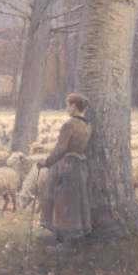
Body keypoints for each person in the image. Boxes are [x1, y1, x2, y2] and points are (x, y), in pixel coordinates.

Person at [36, 93, 92, 242]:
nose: (66, 108)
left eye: (68, 105)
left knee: (62, 201)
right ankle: (76, 236)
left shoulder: (69, 125)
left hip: (66, 166)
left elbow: (60, 148)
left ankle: (64, 240)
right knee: (75, 201)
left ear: (74, 106)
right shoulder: (87, 125)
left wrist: (46, 162)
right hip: (80, 166)